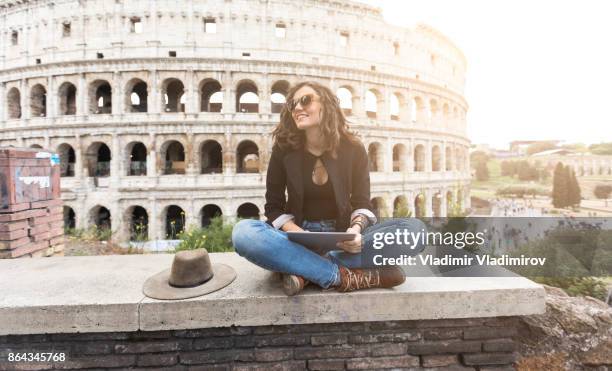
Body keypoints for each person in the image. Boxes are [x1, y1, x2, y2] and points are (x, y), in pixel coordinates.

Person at [231, 81, 425, 296]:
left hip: (342, 241)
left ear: (327, 104)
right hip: (295, 240)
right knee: (243, 233)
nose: (296, 108)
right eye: (292, 104)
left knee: (415, 231)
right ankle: (341, 276)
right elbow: (273, 206)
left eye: (305, 100)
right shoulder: (283, 150)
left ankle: (304, 270)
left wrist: (355, 232)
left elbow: (362, 202)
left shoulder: (353, 148)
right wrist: (298, 233)